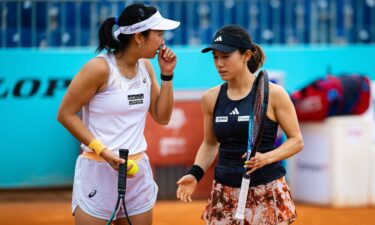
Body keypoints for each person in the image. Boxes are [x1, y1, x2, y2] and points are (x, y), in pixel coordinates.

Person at [57, 3, 179, 225]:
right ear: (139, 37)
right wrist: (102, 151)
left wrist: (167, 75)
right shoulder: (99, 69)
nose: (163, 41)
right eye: (159, 34)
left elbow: (162, 117)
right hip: (98, 169)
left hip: (137, 171)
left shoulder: (147, 67)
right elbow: (65, 114)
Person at [176, 25, 304, 225]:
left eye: (225, 57)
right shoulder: (210, 97)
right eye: (215, 57)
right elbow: (210, 143)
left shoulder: (275, 94)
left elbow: (296, 141)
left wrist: (266, 158)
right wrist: (195, 174)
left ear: (246, 55)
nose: (219, 64)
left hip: (266, 190)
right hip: (224, 191)